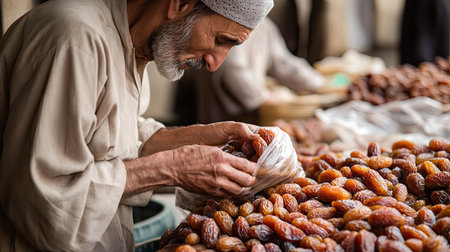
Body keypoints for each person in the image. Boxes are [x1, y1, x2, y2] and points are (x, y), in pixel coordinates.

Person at [0, 0, 273, 251]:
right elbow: (49, 203)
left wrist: (198, 137)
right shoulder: (76, 40)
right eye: (220, 40)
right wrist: (170, 168)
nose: (215, 63)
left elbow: (111, 140)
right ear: (180, 4)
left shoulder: (132, 46)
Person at [194, 17, 326, 124]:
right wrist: (264, 97)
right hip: (222, 114)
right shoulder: (227, 20)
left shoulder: (264, 25)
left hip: (252, 116)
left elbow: (283, 63)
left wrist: (319, 83)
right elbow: (231, 71)